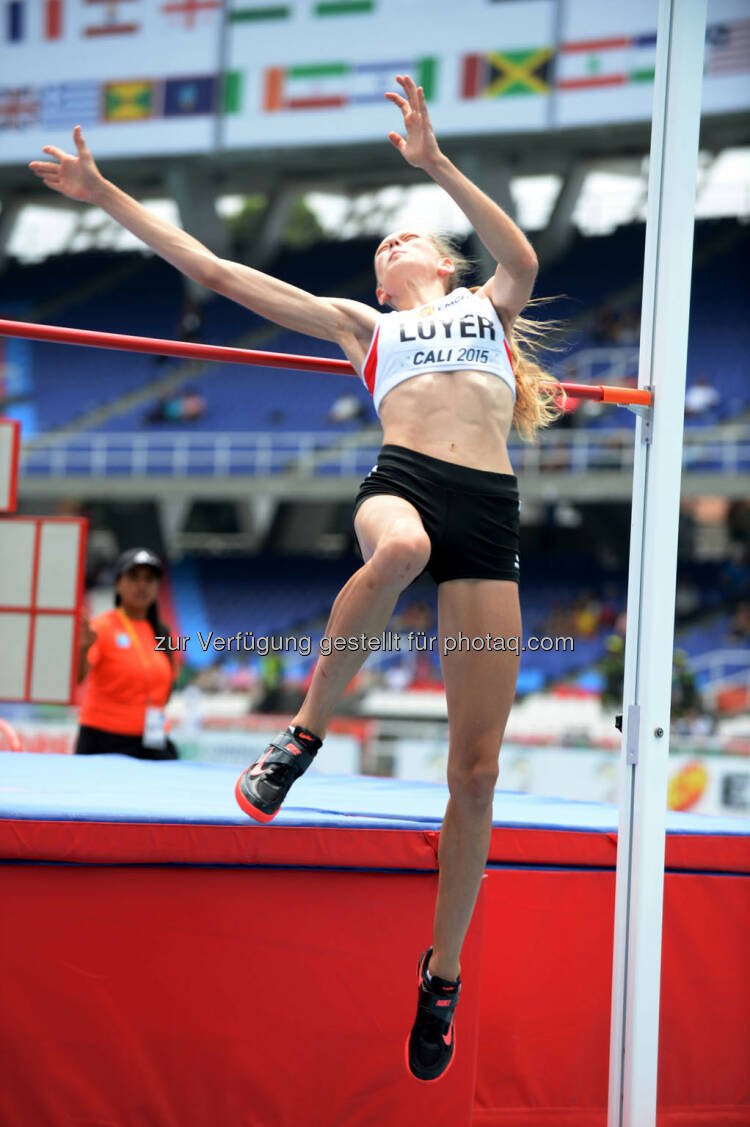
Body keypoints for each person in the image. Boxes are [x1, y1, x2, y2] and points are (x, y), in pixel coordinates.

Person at [31, 74, 563, 1084]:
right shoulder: (363, 328)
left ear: (443, 258)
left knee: (477, 772)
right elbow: (218, 269)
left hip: (490, 517)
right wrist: (107, 198)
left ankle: (440, 974)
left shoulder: (487, 305)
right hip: (400, 487)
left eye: (402, 237)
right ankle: (302, 734)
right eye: (380, 246)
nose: (387, 247)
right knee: (397, 549)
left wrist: (436, 162)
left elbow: (525, 256)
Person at [75, 548, 178, 760]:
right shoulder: (101, 627)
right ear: (118, 583)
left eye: (149, 579)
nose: (142, 585)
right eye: (133, 577)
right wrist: (82, 648)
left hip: (151, 740)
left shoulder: (163, 633)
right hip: (103, 740)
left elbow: (166, 690)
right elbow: (77, 678)